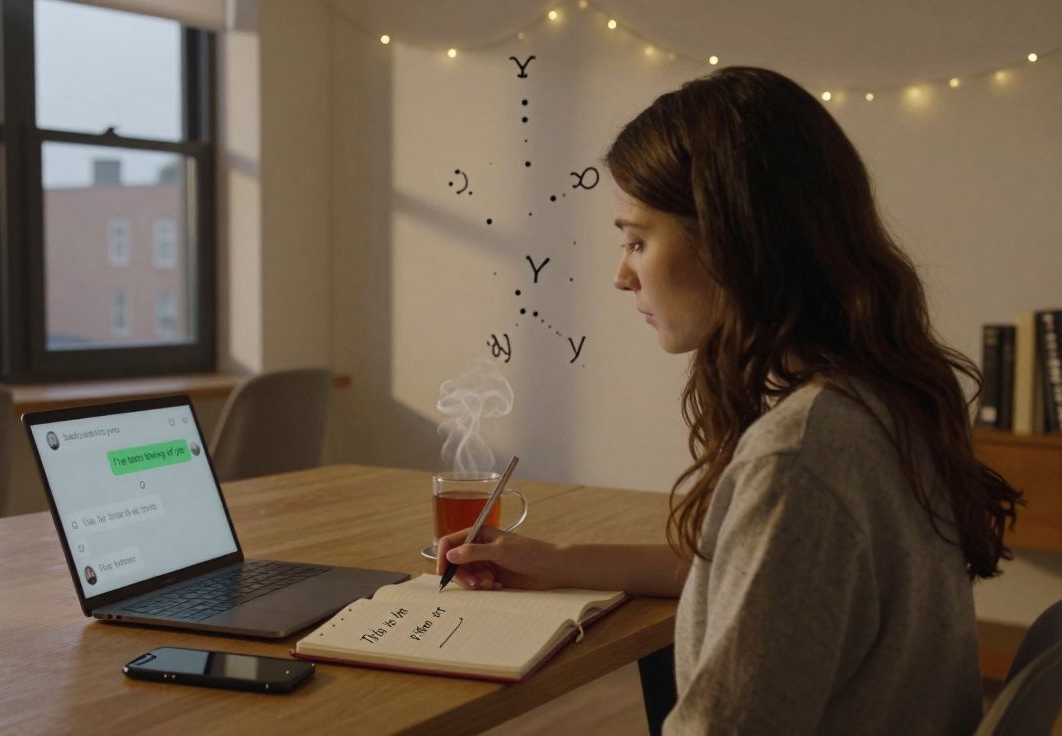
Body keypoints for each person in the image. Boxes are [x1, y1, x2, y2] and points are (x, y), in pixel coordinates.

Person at [437, 67, 1020, 734]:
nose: (622, 275)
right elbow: (758, 577)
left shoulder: (802, 456)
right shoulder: (876, 403)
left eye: (637, 239)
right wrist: (560, 563)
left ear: (729, 240)